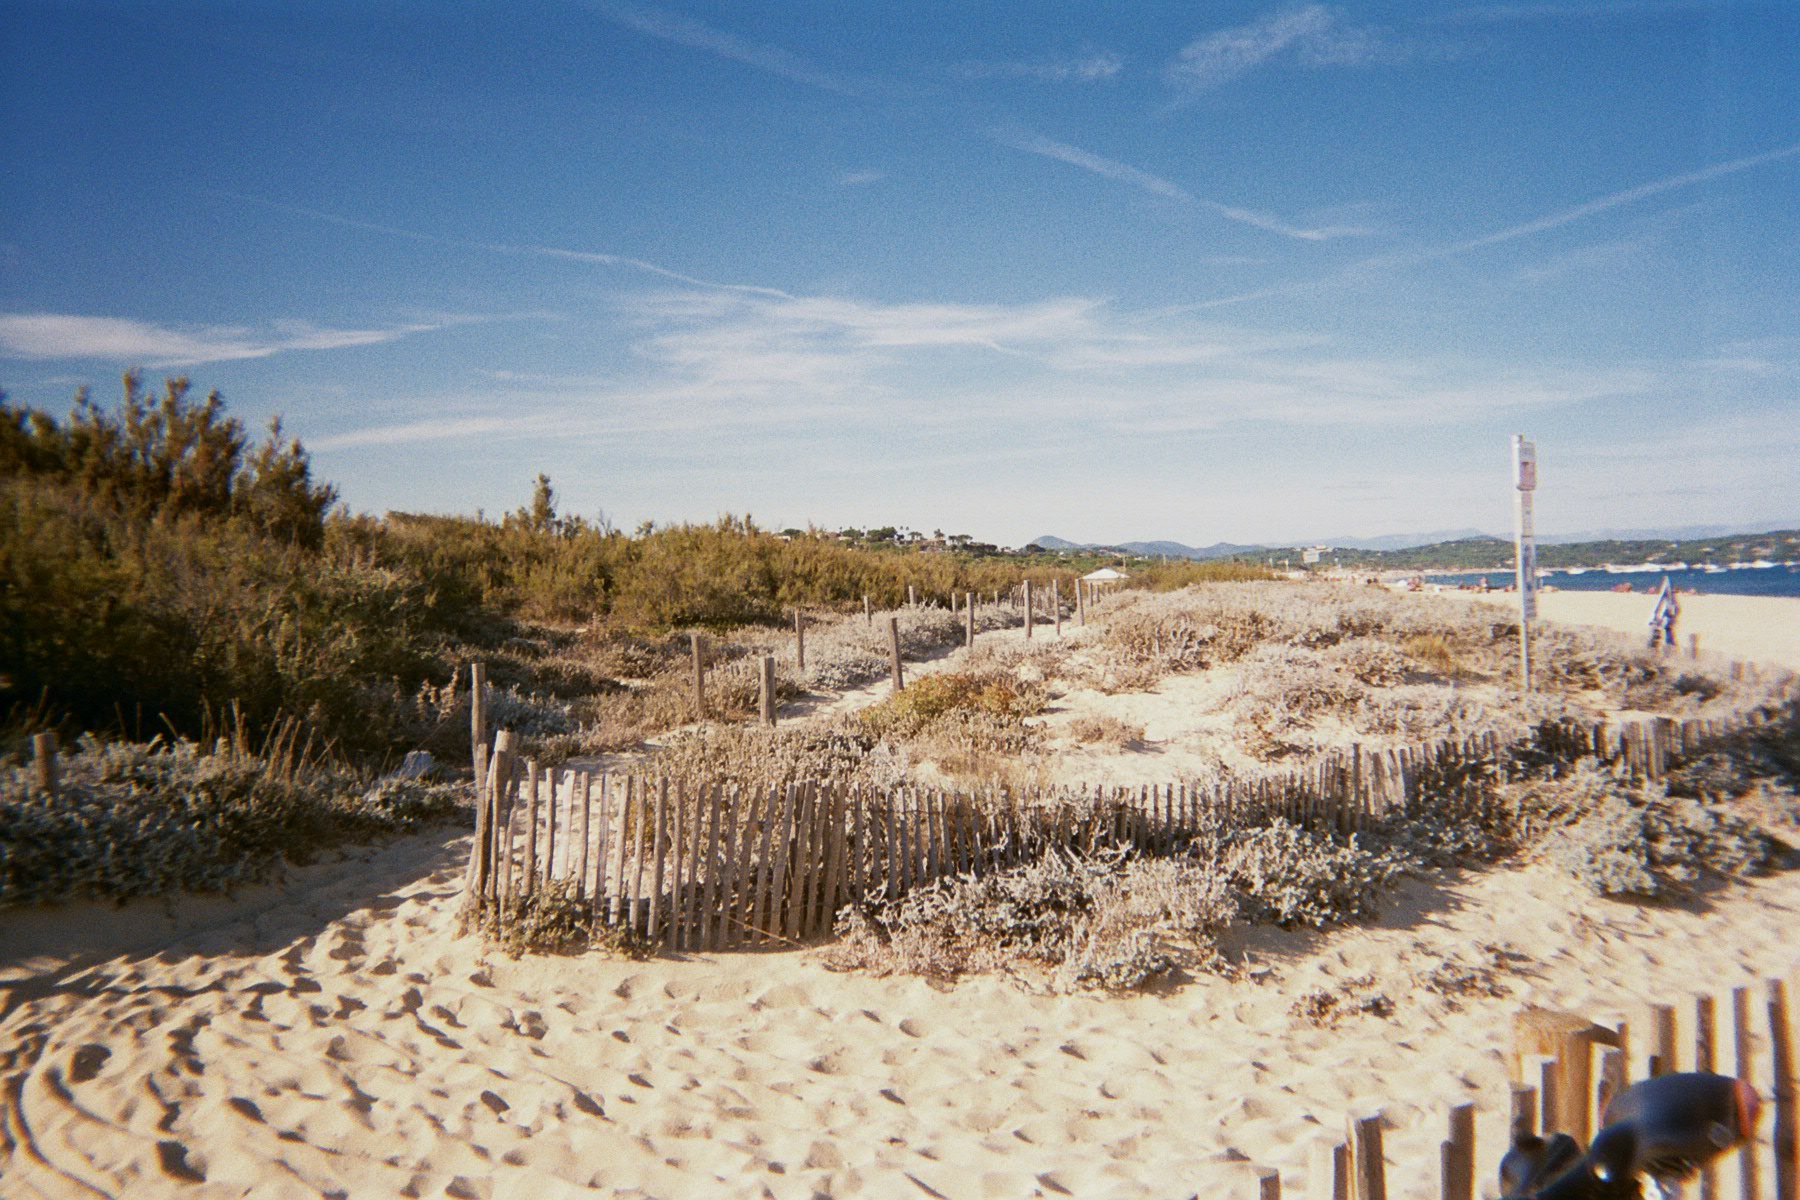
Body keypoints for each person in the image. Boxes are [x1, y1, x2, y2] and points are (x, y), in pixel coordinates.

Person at [1647, 576, 1678, 652]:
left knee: (1663, 636)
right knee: (1660, 636)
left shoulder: (1668, 600)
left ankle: (1662, 648)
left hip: (1662, 619)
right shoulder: (1670, 601)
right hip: (1662, 620)